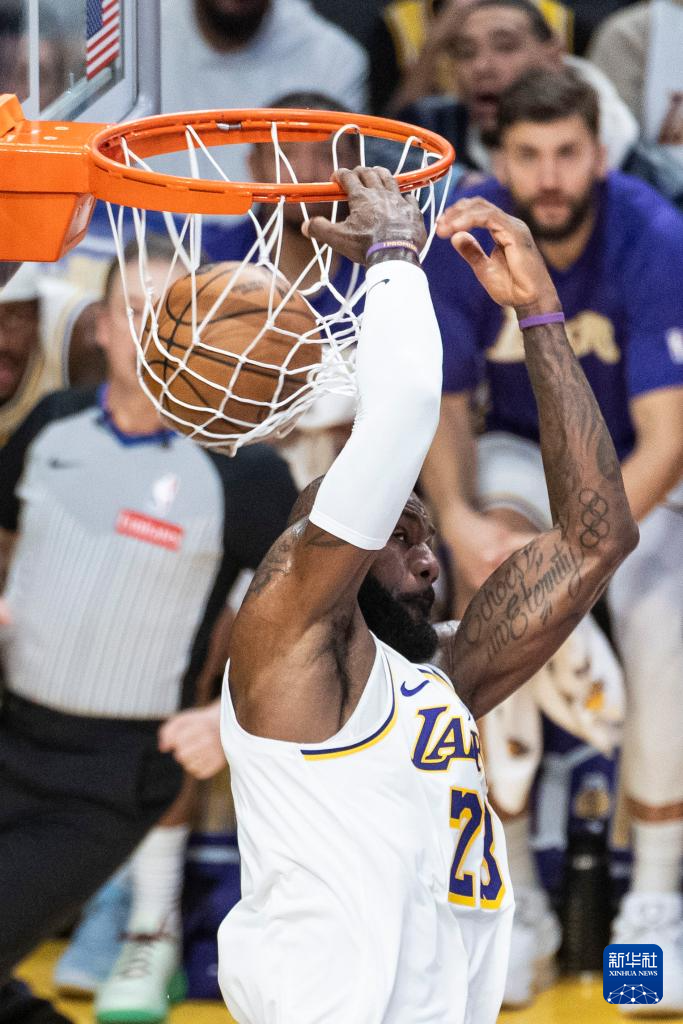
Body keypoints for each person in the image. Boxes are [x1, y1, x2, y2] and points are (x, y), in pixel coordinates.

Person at [179, 163, 636, 1023]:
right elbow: (402, 415)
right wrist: (393, 255)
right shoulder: (284, 637)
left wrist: (539, 314)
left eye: (426, 540)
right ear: (327, 546)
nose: (427, 560)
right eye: (398, 534)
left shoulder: (441, 675)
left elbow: (594, 539)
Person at [421, 67, 683, 1011]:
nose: (548, 176)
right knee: (493, 573)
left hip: (632, 474)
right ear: (499, 160)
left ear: (599, 155)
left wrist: (581, 564)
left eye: (567, 153)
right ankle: (514, 895)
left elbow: (667, 441)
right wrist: (457, 522)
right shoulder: (461, 232)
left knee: (661, 612)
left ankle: (653, 898)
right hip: (513, 460)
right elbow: (442, 407)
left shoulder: (651, 234)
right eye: (527, 155)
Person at [0, 237, 297, 1024]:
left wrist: (228, 719)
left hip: (114, 774)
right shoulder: (52, 424)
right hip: (8, 731)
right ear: (99, 327)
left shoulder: (246, 472)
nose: (152, 332)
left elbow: (322, 622)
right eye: (133, 311)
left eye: (174, 314)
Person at [391, 0, 638, 174]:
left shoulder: (637, 165)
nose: (482, 66)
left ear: (554, 55)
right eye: (465, 52)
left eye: (505, 46)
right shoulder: (438, 122)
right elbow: (377, 152)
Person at [159, 0, 369, 182]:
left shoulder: (333, 57)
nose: (306, 173)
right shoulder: (144, 32)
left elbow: (337, 187)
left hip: (282, 215)